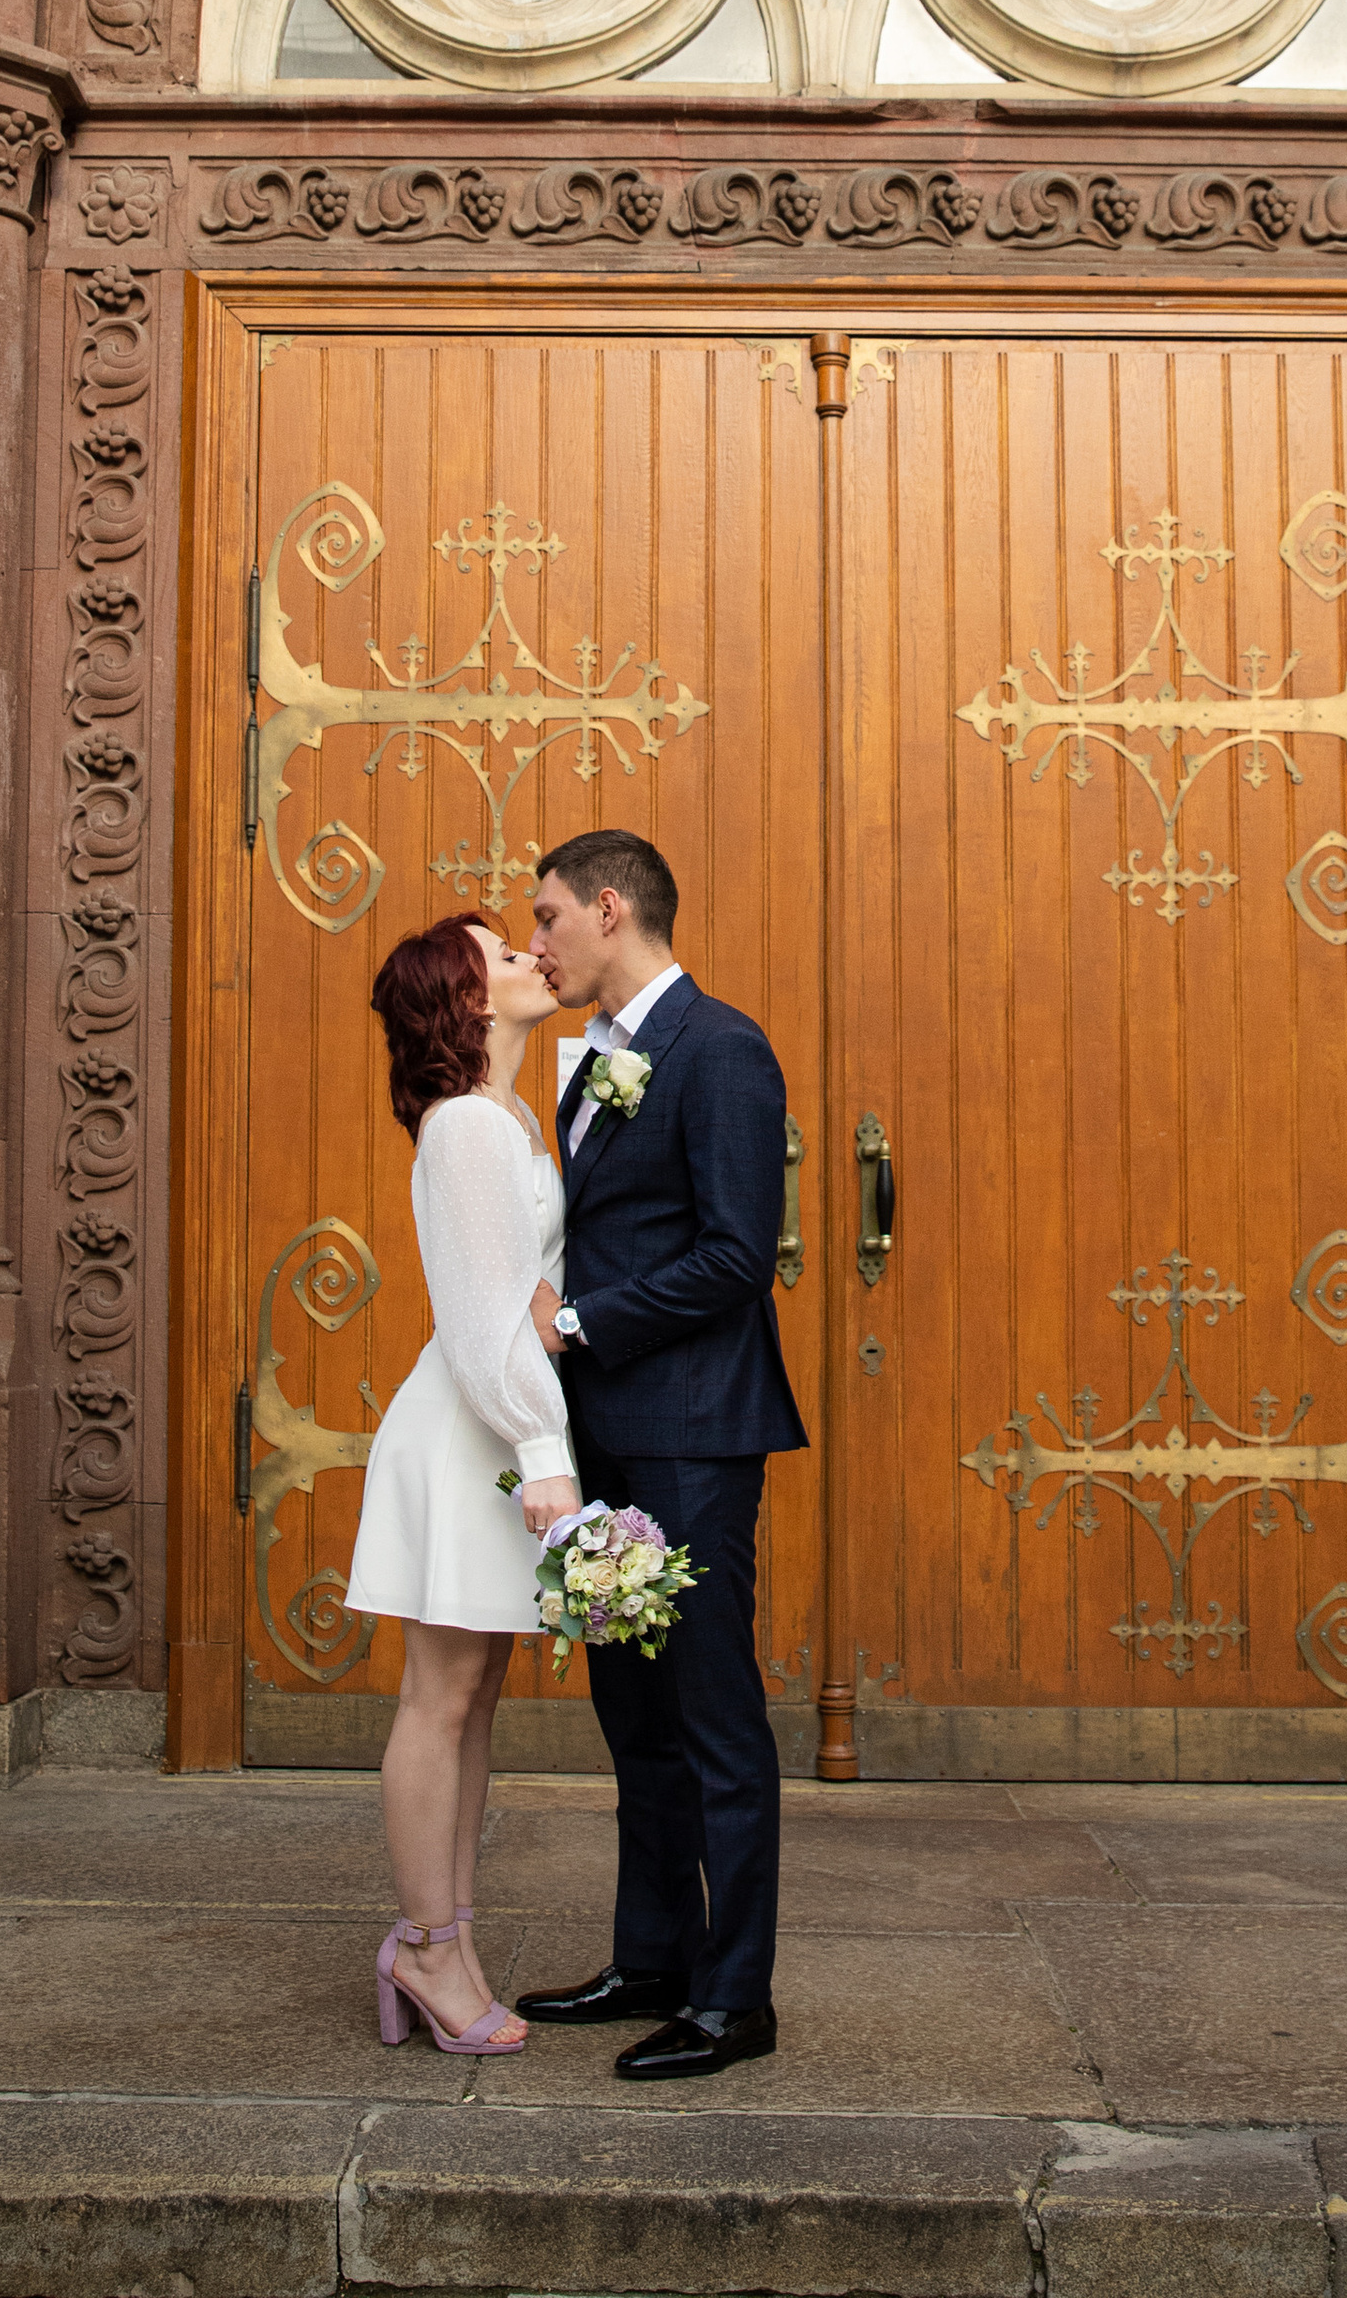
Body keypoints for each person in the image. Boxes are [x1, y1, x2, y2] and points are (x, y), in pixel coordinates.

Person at [512, 827, 807, 2078]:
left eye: (545, 918)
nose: (535, 943)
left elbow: (740, 1256)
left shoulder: (722, 1049)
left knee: (712, 1714)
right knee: (634, 1717)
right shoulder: (596, 1065)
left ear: (610, 907)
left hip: (694, 1436)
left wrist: (573, 1322)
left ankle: (735, 1998)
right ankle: (653, 1957)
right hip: (609, 1437)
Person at [343, 913, 577, 2056]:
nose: (534, 956)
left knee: (472, 1697)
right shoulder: (472, 1127)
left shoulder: (509, 1114)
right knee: (438, 1699)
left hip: (498, 1419)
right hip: (470, 1430)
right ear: (467, 999)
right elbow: (484, 1326)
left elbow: (522, 1290)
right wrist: (545, 1454)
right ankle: (427, 1946)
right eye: (504, 954)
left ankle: (452, 1935)